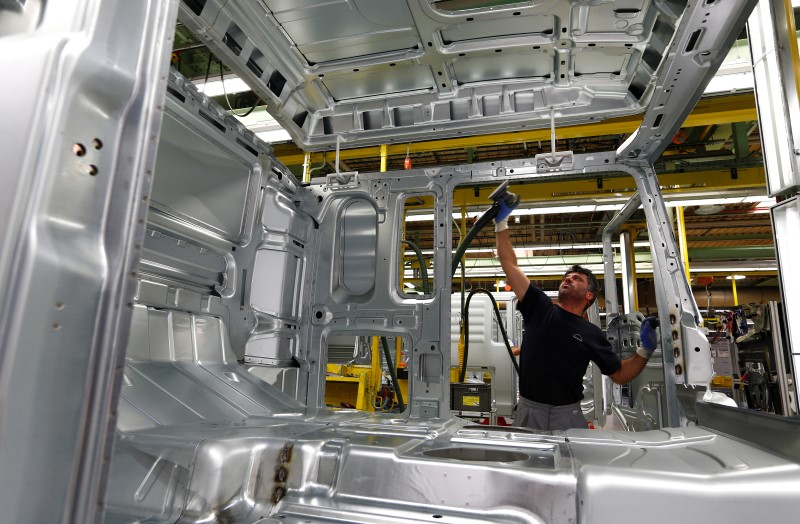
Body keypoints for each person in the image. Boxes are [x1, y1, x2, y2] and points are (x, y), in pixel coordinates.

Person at [494, 200, 658, 431]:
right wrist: (501, 223)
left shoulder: (591, 333)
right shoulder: (539, 307)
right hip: (530, 411)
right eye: (566, 277)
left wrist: (646, 350)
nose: (567, 279)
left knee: (570, 465)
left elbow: (620, 375)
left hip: (568, 414)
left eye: (576, 278)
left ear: (589, 295)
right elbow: (509, 263)